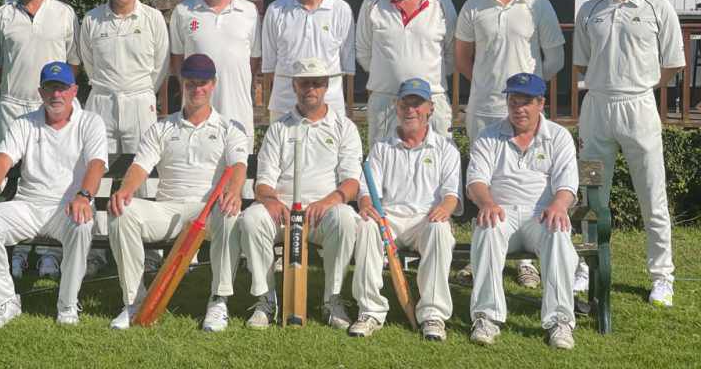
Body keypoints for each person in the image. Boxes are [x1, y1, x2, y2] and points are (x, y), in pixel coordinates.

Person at [574, 0, 684, 307]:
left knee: (653, 197)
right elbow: (583, 63)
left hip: (639, 109)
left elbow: (670, 64)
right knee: (591, 195)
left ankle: (662, 277)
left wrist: (643, 89)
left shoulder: (658, 8)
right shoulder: (589, 10)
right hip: (597, 111)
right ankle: (586, 266)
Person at [454, 0, 565, 289]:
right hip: (484, 108)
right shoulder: (474, 5)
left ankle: (526, 262)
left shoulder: (539, 4)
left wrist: (527, 94)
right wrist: (490, 86)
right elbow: (462, 58)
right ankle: (482, 256)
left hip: (525, 112)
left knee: (526, 186)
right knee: (483, 184)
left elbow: (556, 58)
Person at [107, 54, 248, 332]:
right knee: (122, 213)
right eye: (191, 83)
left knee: (230, 213)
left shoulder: (228, 128)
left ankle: (218, 300)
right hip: (167, 209)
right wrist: (125, 189)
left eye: (203, 83)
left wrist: (234, 190)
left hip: (207, 211)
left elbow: (239, 165)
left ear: (213, 85)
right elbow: (140, 166)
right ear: (182, 83)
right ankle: (134, 301)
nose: (197, 89)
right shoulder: (162, 127)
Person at [0, 61, 107, 327]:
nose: (57, 95)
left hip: (67, 208)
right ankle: (4, 300)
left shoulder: (91, 122)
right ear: (41, 92)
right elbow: (2, 161)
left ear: (74, 90)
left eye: (62, 88)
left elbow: (96, 165)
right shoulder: (23, 124)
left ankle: (67, 304)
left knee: (82, 222)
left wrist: (83, 196)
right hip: (27, 206)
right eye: (51, 88)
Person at [239, 57, 362, 329]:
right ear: (294, 85)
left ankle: (333, 299)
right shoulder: (279, 129)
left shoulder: (345, 128)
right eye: (305, 83)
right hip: (283, 213)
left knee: (345, 219)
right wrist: (270, 201)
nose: (311, 89)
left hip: (324, 214)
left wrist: (328, 202)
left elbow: (351, 183)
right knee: (251, 219)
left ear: (326, 85)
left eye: (317, 83)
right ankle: (265, 299)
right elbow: (263, 182)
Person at [0, 0, 81, 279]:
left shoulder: (65, 13)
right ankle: (19, 251)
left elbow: (72, 64)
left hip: (53, 109)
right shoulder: (1, 15)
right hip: (13, 106)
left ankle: (51, 253)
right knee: (13, 182)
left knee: (55, 180)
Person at [466, 73, 578, 350]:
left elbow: (567, 184)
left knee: (558, 229)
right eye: (513, 101)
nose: (518, 108)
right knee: (487, 226)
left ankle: (560, 321)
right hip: (501, 212)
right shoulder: (488, 135)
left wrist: (558, 205)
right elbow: (476, 181)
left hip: (541, 215)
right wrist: (487, 203)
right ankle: (486, 317)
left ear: (541, 103)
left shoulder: (559, 137)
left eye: (525, 102)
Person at [349, 78, 461, 340]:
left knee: (440, 230)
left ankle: (433, 315)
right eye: (405, 104)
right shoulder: (381, 148)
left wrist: (445, 208)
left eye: (417, 104)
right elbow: (367, 192)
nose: (411, 110)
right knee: (365, 226)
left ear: (430, 108)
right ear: (397, 108)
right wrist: (366, 205)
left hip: (426, 217)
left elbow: (451, 195)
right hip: (389, 217)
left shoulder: (446, 149)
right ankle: (370, 311)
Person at [80, 0, 170, 276]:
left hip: (139, 102)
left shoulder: (152, 20)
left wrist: (141, 95)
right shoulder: (92, 20)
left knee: (144, 173)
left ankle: (150, 250)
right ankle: (98, 247)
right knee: (98, 173)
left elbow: (161, 66)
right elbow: (88, 63)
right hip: (101, 102)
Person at [356, 0, 456, 145]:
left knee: (437, 166)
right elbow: (363, 50)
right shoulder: (373, 1)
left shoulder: (442, 2)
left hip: (432, 101)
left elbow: (452, 54)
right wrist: (389, 78)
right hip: (386, 101)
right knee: (382, 167)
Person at [169, 0, 260, 150]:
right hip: (195, 117)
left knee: (238, 178)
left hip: (237, 115)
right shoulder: (183, 12)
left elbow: (253, 61)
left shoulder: (250, 12)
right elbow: (177, 61)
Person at [262, 0, 355, 121]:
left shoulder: (341, 10)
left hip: (330, 107)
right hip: (285, 106)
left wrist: (348, 112)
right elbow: (269, 67)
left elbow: (347, 68)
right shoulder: (275, 10)